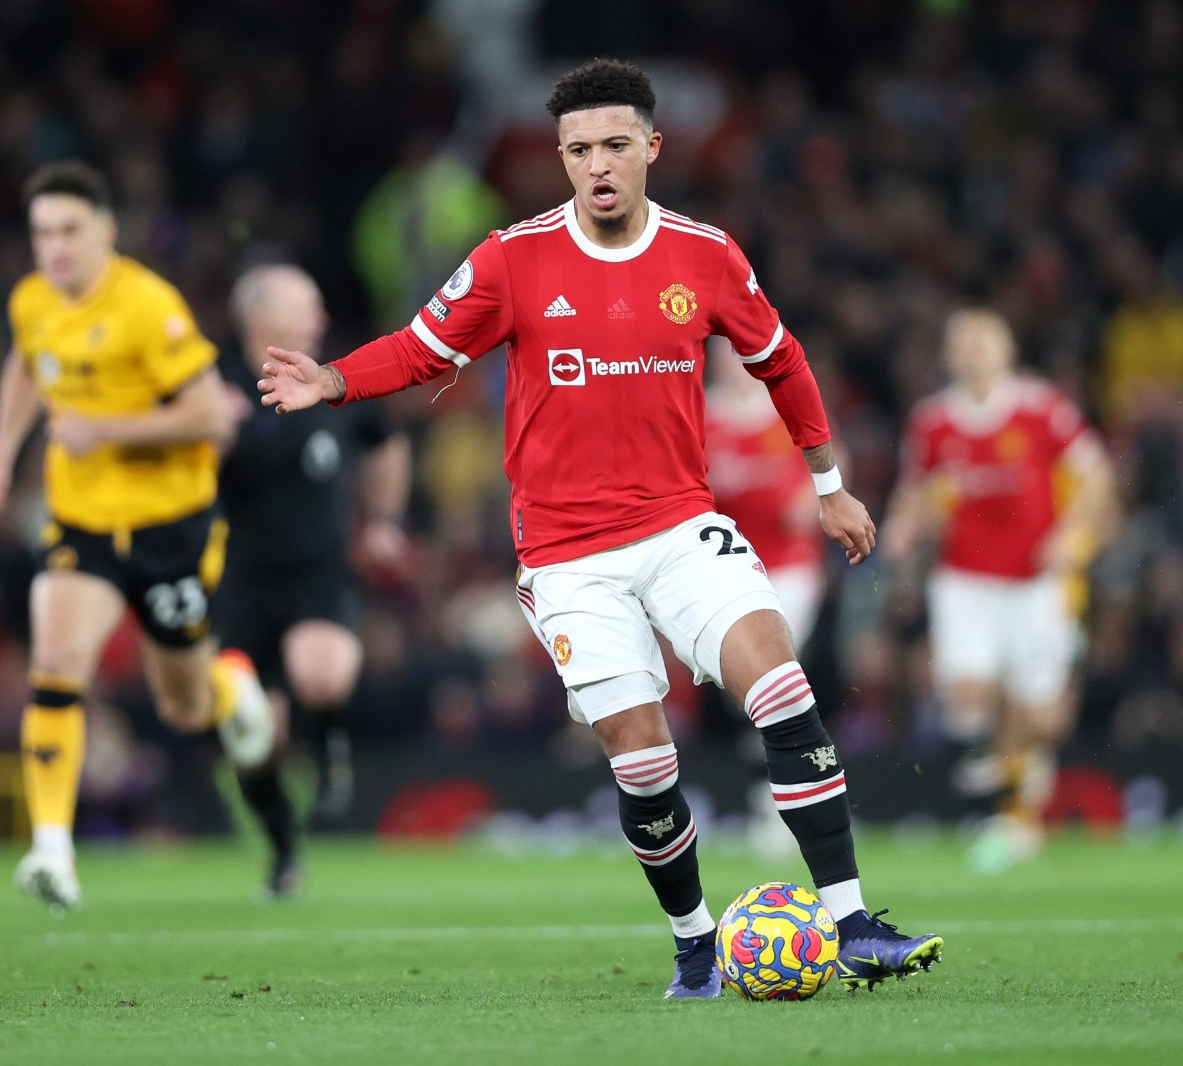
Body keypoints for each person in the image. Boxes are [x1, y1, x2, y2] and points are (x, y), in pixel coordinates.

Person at [258, 59, 943, 998]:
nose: (598, 165)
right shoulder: (511, 259)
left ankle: (853, 923)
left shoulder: (706, 254)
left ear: (652, 147)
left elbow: (780, 361)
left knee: (783, 689)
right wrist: (334, 379)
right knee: (644, 759)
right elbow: (423, 349)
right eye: (579, 150)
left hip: (680, 526)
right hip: (568, 557)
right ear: (561, 158)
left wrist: (829, 485)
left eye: (616, 145)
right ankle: (696, 944)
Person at [0, 161, 283, 909]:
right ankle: (52, 850)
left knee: (185, 706)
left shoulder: (147, 305)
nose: (55, 247)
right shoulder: (33, 300)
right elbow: (26, 365)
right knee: (56, 664)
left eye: (69, 229)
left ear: (105, 230)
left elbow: (212, 416)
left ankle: (231, 688)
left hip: (171, 526)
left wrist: (103, 429)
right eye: (42, 232)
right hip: (83, 523)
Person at [880, 308, 1115, 871]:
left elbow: (1097, 475)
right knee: (968, 693)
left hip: (1036, 583)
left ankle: (1015, 803)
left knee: (1037, 716)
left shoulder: (1041, 408)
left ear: (1007, 350)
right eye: (963, 343)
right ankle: (992, 814)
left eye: (984, 341)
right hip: (964, 580)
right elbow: (915, 490)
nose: (974, 352)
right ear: (948, 355)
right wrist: (902, 528)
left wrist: (1074, 534)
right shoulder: (933, 421)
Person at [220, 264, 412, 838]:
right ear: (261, 318)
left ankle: (329, 743)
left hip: (318, 572)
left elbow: (386, 441)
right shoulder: (215, 386)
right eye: (306, 306)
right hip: (240, 582)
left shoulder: (332, 378)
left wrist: (383, 520)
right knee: (258, 739)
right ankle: (281, 844)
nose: (320, 319)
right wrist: (206, 430)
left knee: (320, 674)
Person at [705, 338, 827, 651]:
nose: (732, 365)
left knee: (771, 651)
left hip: (789, 558)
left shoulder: (788, 406)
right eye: (724, 356)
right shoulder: (699, 417)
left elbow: (832, 458)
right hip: (725, 565)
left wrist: (813, 497)